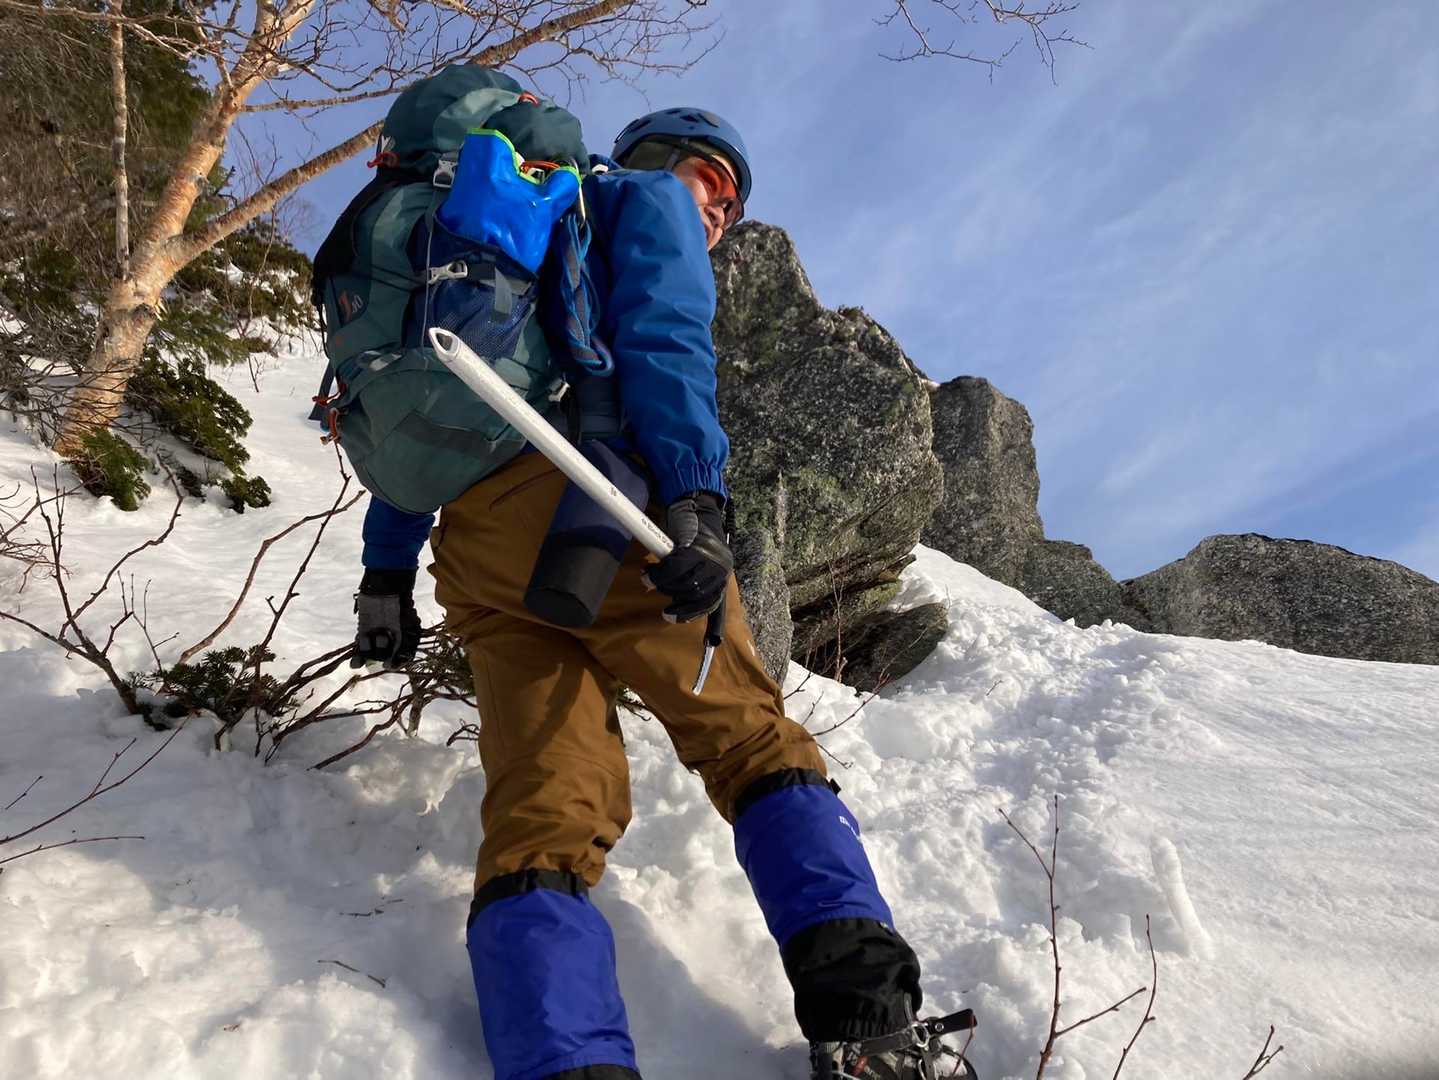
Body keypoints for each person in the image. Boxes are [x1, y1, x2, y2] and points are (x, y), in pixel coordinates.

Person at [352, 107, 954, 1080]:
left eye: (729, 202)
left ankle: (563, 1064)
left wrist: (385, 574)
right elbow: (666, 341)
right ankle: (867, 1026)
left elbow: (423, 423)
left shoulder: (494, 243)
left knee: (543, 802)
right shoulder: (639, 200)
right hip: (601, 507)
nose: (716, 208)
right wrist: (694, 500)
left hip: (481, 554)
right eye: (708, 179)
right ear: (651, 161)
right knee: (751, 742)